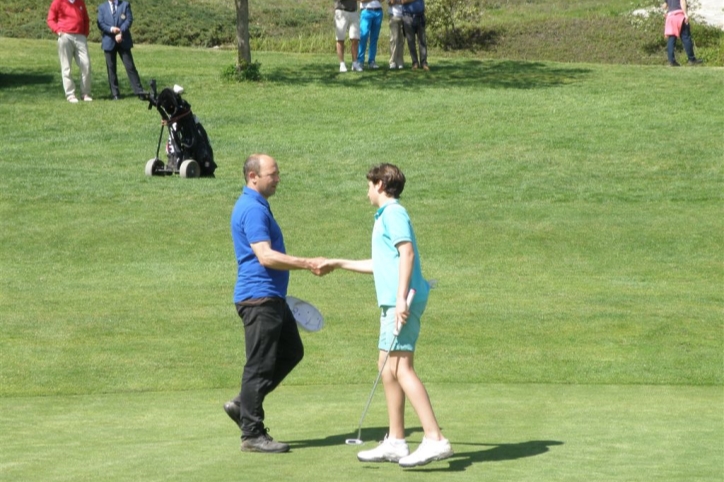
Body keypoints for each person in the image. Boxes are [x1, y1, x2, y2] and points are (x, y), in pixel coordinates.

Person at [323, 164, 453, 467]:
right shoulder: (385, 217)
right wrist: (338, 263)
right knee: (386, 365)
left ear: (380, 184)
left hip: (401, 300)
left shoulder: (393, 213)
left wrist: (400, 300)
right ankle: (396, 441)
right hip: (393, 301)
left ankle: (435, 439)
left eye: (369, 185)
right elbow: (383, 263)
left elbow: (406, 253)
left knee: (401, 367)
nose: (367, 191)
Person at [225, 154, 329, 454]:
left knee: (292, 351)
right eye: (273, 174)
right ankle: (252, 433)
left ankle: (243, 404)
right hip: (259, 298)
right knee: (259, 366)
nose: (278, 178)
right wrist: (307, 263)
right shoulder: (252, 209)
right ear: (253, 177)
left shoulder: (256, 205)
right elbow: (265, 256)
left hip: (271, 297)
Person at [97, 0, 145, 99]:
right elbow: (100, 23)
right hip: (109, 41)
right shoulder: (102, 7)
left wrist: (120, 32)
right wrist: (111, 29)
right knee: (111, 69)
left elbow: (129, 20)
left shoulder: (125, 5)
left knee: (130, 67)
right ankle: (115, 94)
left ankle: (139, 92)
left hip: (123, 40)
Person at [47, 0, 92, 103]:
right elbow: (51, 19)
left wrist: (85, 34)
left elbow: (86, 19)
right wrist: (58, 31)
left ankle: (85, 93)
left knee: (86, 64)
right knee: (66, 67)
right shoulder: (58, 2)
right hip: (65, 36)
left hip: (80, 36)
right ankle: (70, 94)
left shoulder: (80, 2)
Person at [662, 0, 703, 66]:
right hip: (679, 16)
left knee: (671, 39)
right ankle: (692, 59)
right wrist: (685, 14)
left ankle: (671, 61)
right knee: (686, 37)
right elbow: (682, 2)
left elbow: (665, 5)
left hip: (670, 16)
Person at [401, 0, 429, 71]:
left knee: (422, 41)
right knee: (411, 42)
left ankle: (424, 63)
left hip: (420, 16)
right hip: (408, 17)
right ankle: (415, 63)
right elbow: (403, 1)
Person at [335, 0, 362, 72]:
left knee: (355, 38)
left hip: (353, 12)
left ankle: (355, 63)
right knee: (340, 39)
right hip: (341, 11)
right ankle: (342, 64)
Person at [358, 0, 384, 69]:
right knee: (363, 36)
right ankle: (360, 61)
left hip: (378, 11)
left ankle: (371, 61)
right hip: (366, 11)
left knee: (374, 38)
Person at [388, 0, 405, 69]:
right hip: (394, 16)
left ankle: (400, 60)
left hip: (403, 16)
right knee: (394, 39)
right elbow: (391, 2)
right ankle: (392, 61)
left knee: (402, 40)